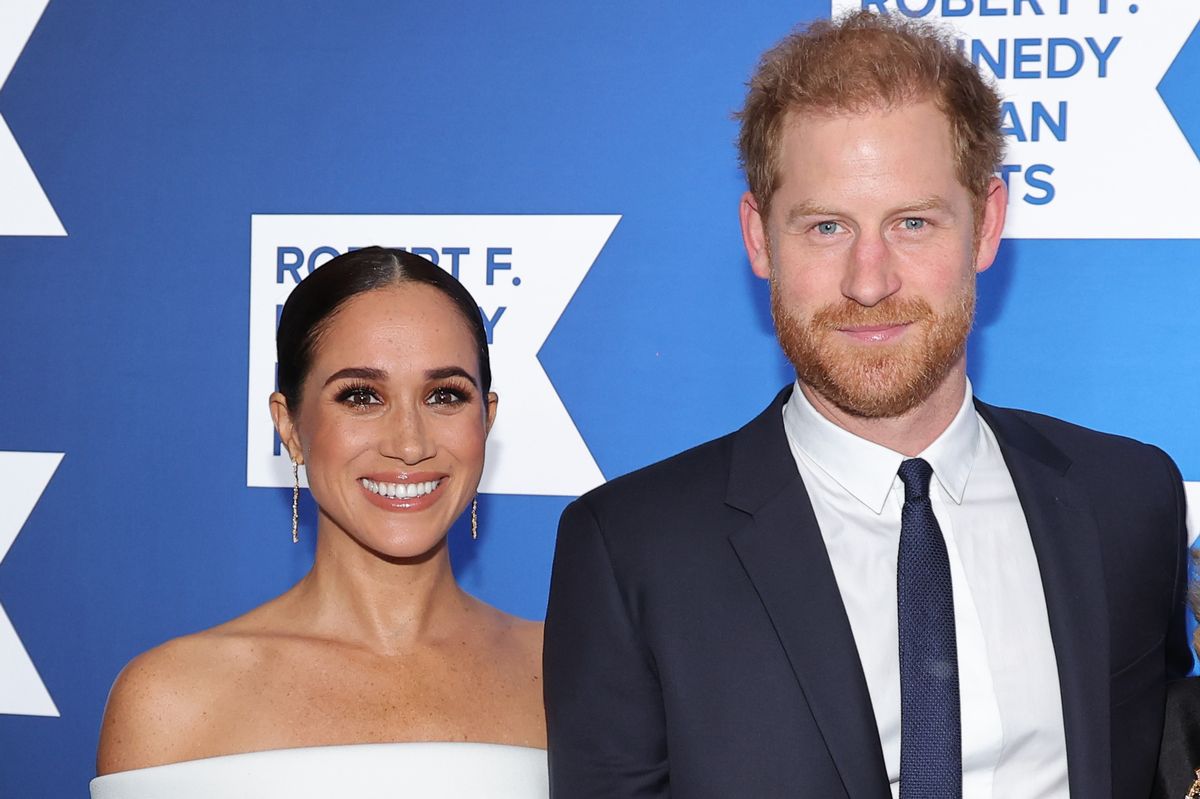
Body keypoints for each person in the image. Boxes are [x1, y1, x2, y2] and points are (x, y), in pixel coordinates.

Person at [543, 11, 1190, 799]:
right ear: (759, 237)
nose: (869, 280)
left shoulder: (1129, 498)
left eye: (913, 222)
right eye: (826, 227)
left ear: (987, 224)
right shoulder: (632, 550)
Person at [92, 248, 547, 797]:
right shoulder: (171, 701)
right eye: (361, 396)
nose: (410, 444)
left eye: (444, 395)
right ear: (289, 426)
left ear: (486, 419)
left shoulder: (573, 672)